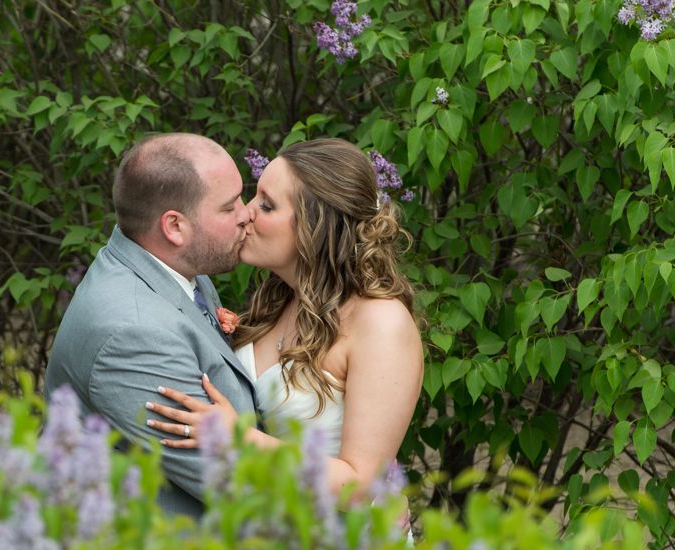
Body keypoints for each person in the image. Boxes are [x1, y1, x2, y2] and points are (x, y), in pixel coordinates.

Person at [143, 138, 423, 507]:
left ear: (316, 225)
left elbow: (358, 488)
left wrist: (240, 439)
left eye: (267, 205)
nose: (246, 214)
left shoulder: (381, 324)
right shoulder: (277, 304)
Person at [45, 132, 258, 518]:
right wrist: (355, 495)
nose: (247, 214)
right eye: (229, 208)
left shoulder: (170, 267)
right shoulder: (134, 333)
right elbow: (235, 483)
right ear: (174, 227)